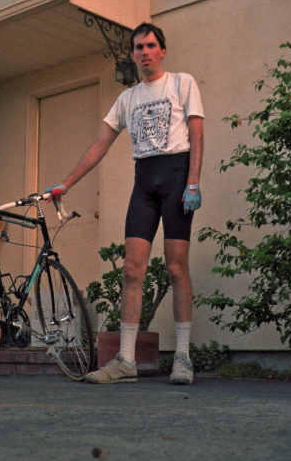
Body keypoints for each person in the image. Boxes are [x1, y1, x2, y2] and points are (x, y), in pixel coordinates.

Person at [46, 22, 204, 385]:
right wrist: (66, 184)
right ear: (132, 55)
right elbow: (101, 144)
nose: (145, 52)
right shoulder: (127, 99)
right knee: (133, 269)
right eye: (138, 47)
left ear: (162, 50)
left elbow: (197, 134)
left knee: (177, 268)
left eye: (150, 45)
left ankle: (182, 357)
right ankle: (126, 360)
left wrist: (193, 182)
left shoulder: (182, 83)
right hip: (145, 181)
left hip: (178, 177)